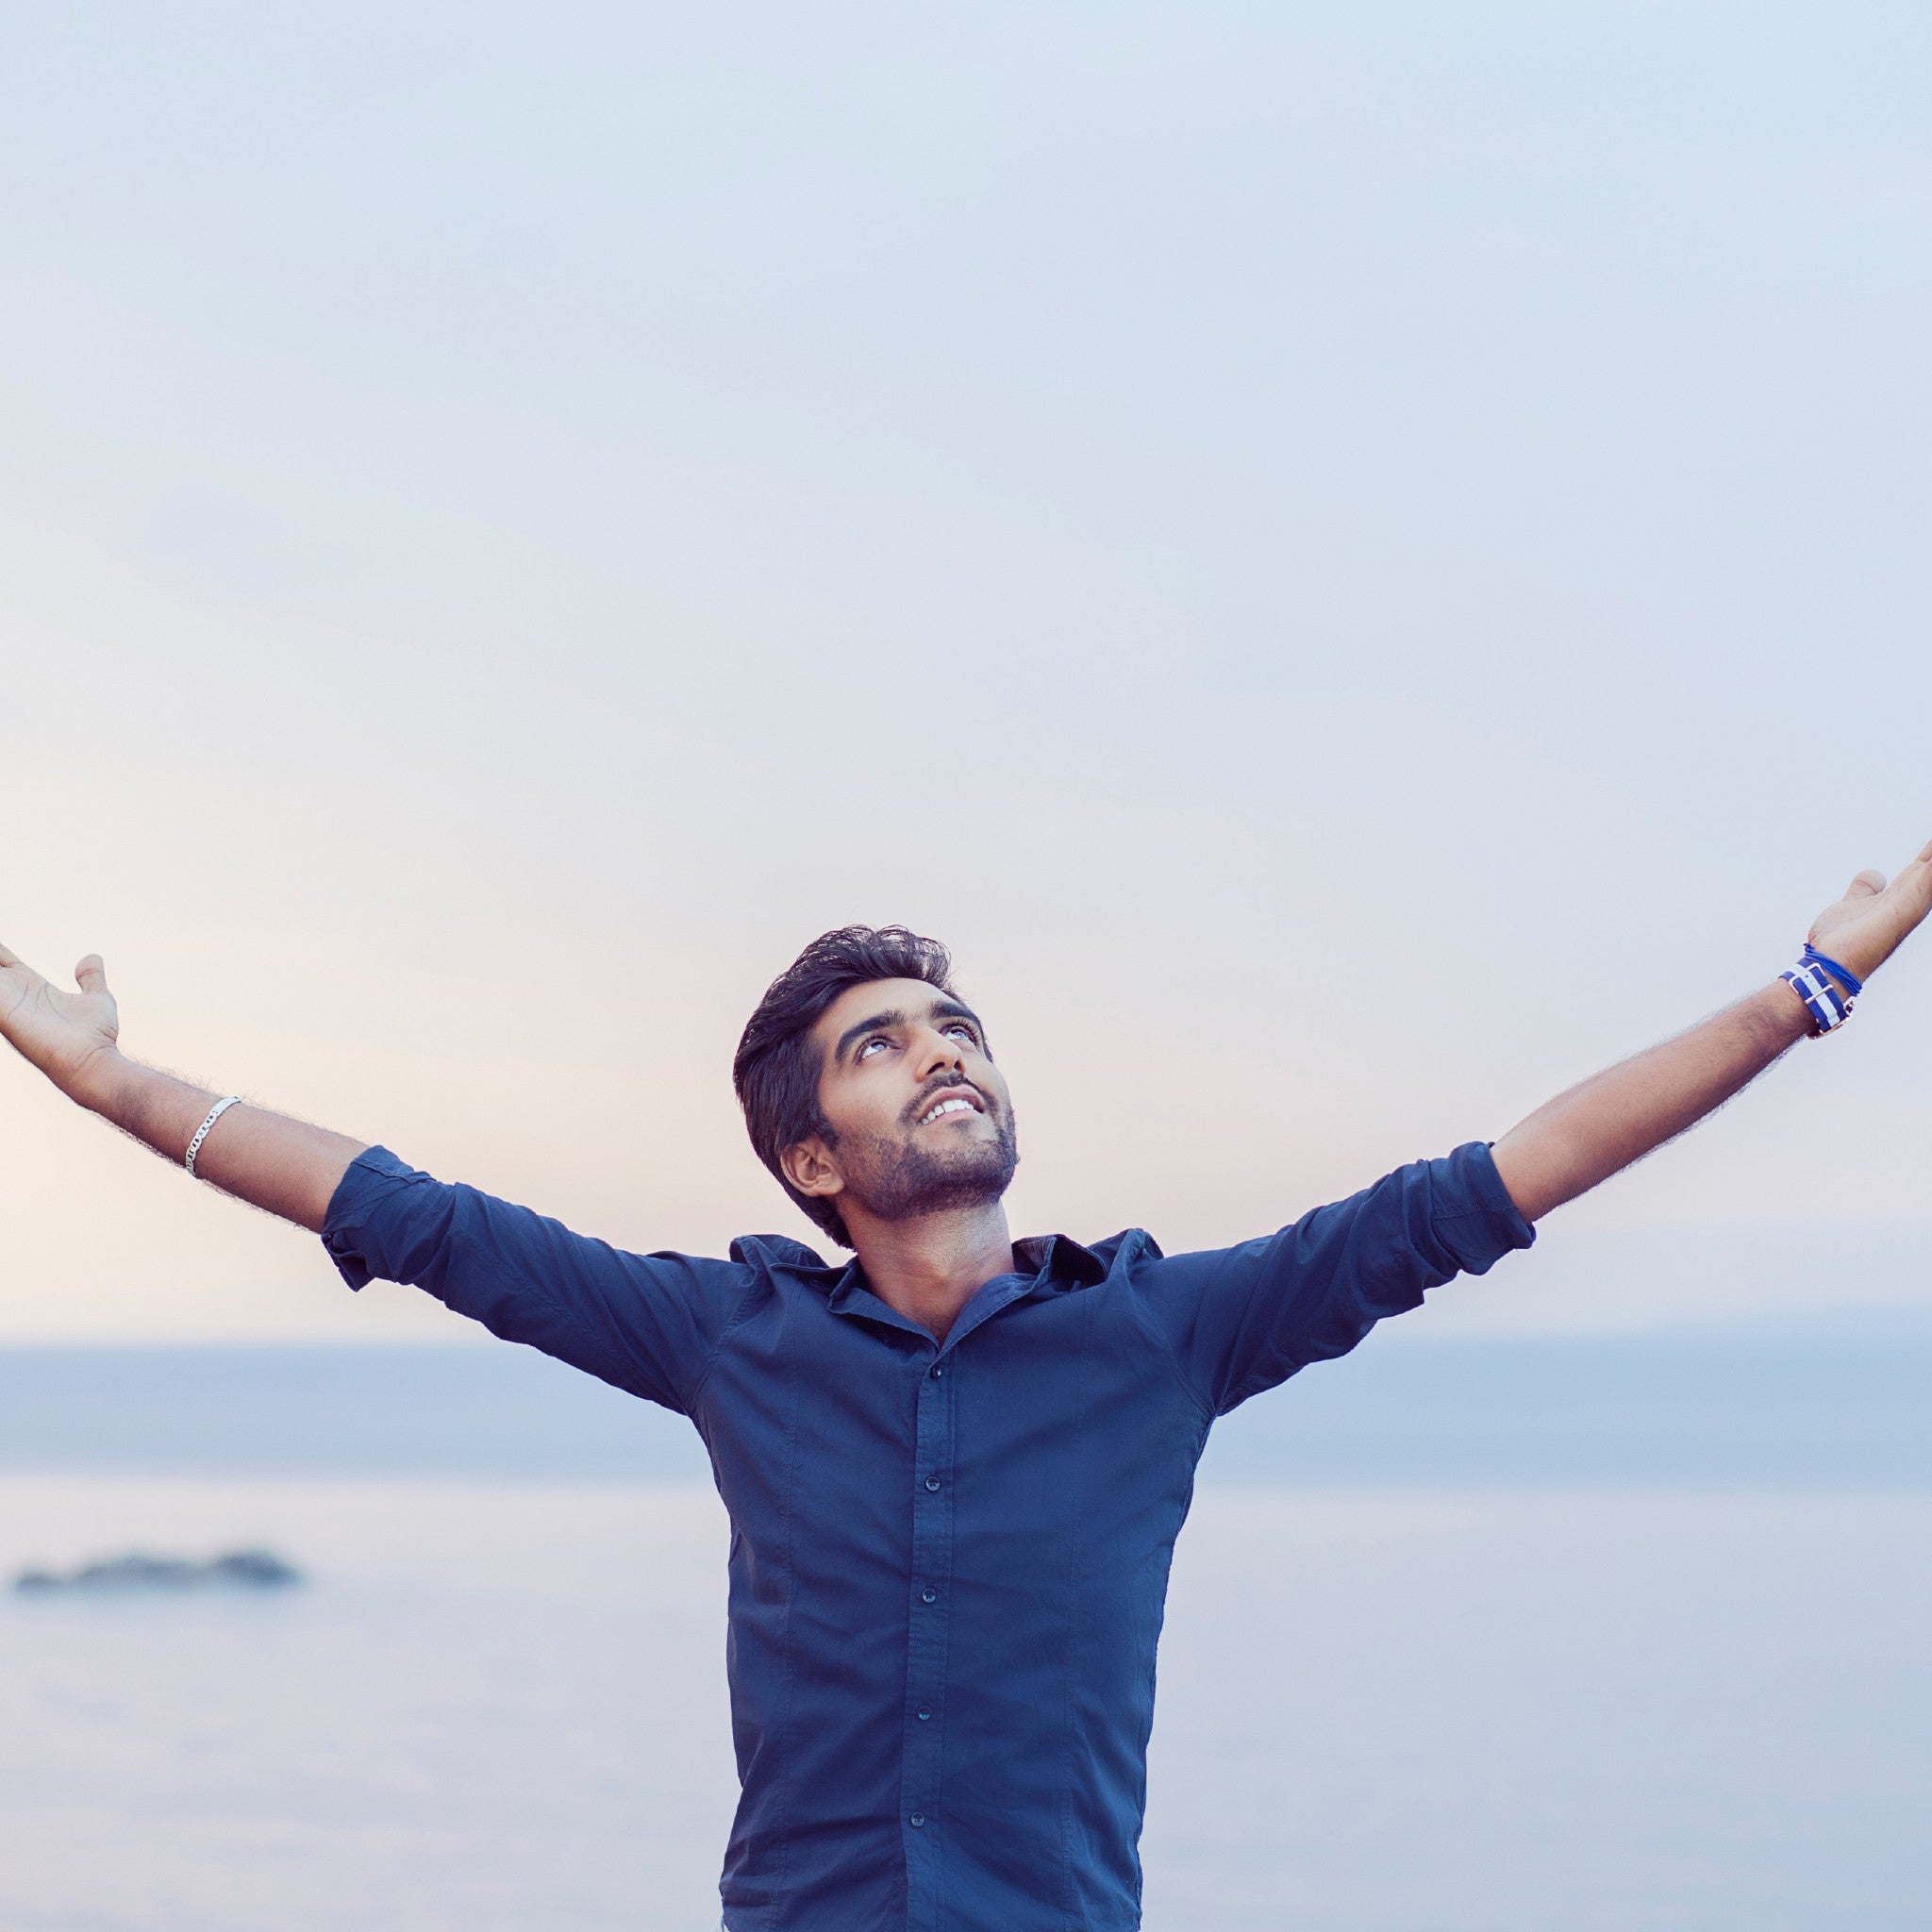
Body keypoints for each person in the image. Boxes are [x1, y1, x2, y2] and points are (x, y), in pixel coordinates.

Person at [3, 847, 1929, 1932]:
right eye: (878, 1044)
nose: (939, 1051)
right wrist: (113, 1084)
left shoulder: (1167, 1335)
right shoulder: (732, 1340)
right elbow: (413, 1217)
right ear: (810, 1159)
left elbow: (1500, 1181)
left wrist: (1805, 992)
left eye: (956, 1027)